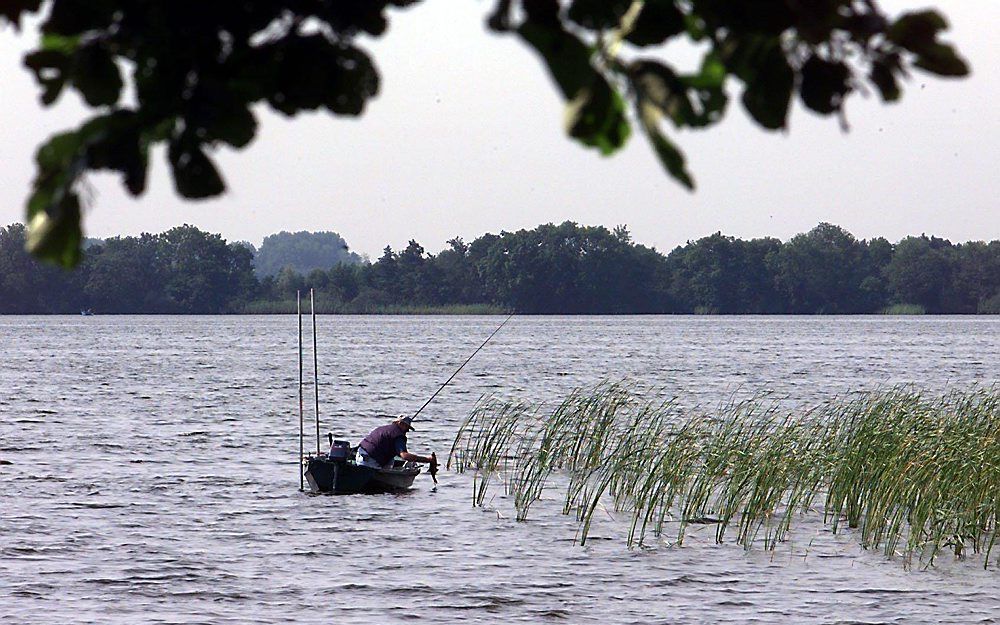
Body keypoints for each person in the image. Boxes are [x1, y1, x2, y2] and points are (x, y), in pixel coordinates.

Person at [357, 416, 435, 471]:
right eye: (407, 427)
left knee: (391, 459)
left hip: (359, 454)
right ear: (400, 424)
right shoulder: (398, 435)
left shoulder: (383, 428)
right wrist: (427, 460)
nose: (407, 431)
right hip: (370, 461)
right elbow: (404, 455)